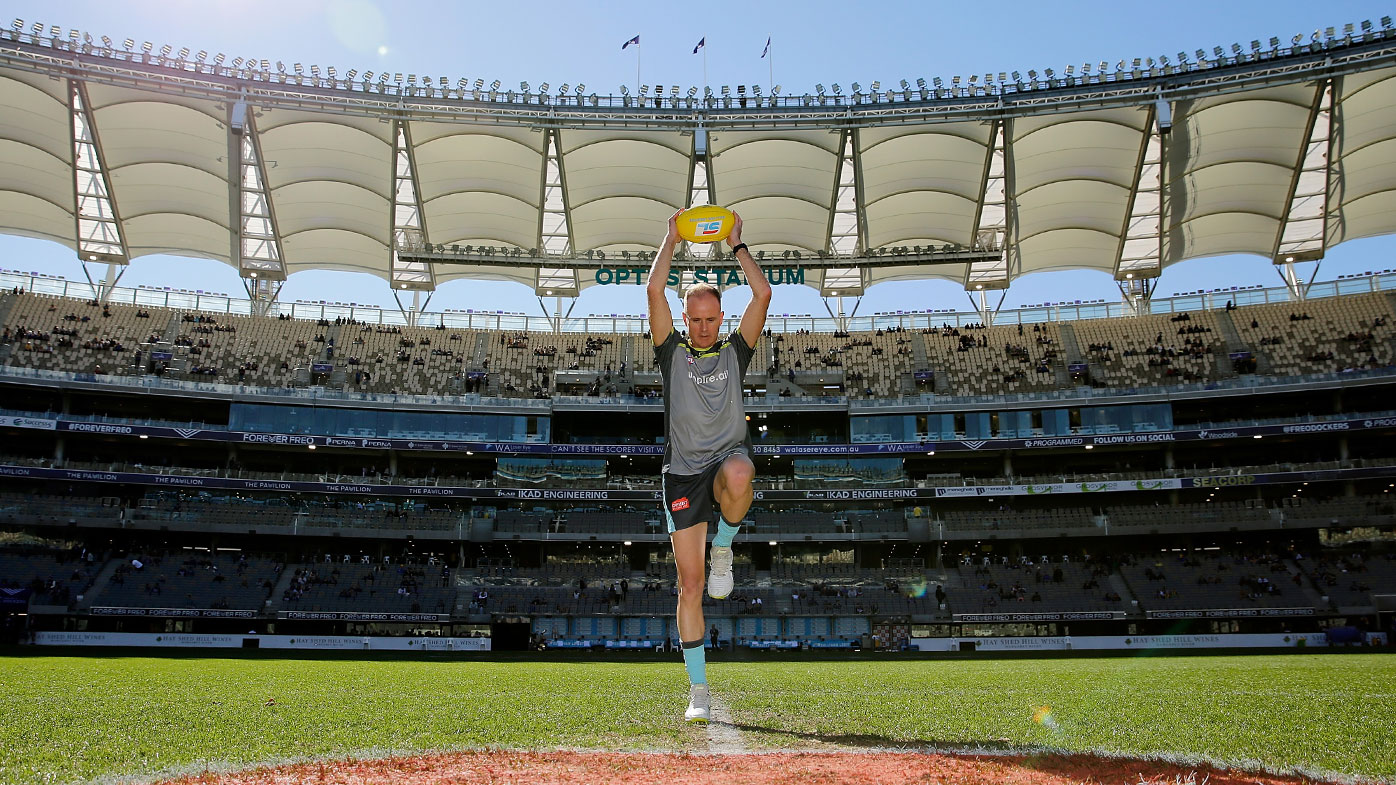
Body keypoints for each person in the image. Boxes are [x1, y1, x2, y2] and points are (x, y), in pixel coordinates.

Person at [647, 208, 770, 723]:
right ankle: (698, 688)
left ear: (721, 317)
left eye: (710, 319)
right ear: (685, 319)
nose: (701, 327)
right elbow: (654, 293)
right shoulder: (670, 351)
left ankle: (725, 547)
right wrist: (671, 238)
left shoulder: (735, 354)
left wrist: (737, 245)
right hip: (681, 473)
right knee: (689, 585)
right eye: (694, 319)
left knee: (742, 472)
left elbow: (762, 296)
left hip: (724, 462)